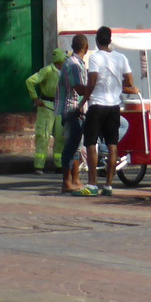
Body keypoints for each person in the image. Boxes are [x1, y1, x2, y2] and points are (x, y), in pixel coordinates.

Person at [85, 26, 138, 195]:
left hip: (98, 105)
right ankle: (108, 185)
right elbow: (129, 81)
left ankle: (92, 184)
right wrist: (117, 85)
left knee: (91, 144)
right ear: (110, 40)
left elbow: (92, 82)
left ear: (97, 40)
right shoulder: (121, 57)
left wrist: (83, 102)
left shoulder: (95, 58)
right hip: (114, 106)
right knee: (112, 144)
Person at [57, 35, 95, 194]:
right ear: (86, 48)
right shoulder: (73, 65)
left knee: (77, 147)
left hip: (76, 109)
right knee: (71, 146)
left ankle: (76, 179)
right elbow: (79, 88)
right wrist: (93, 89)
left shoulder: (74, 63)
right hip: (72, 109)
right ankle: (66, 181)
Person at [25, 48, 69, 173]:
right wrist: (35, 98)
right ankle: (39, 165)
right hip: (46, 105)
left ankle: (59, 165)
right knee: (43, 135)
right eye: (64, 60)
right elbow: (30, 81)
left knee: (60, 136)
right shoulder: (48, 70)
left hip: (60, 104)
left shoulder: (65, 72)